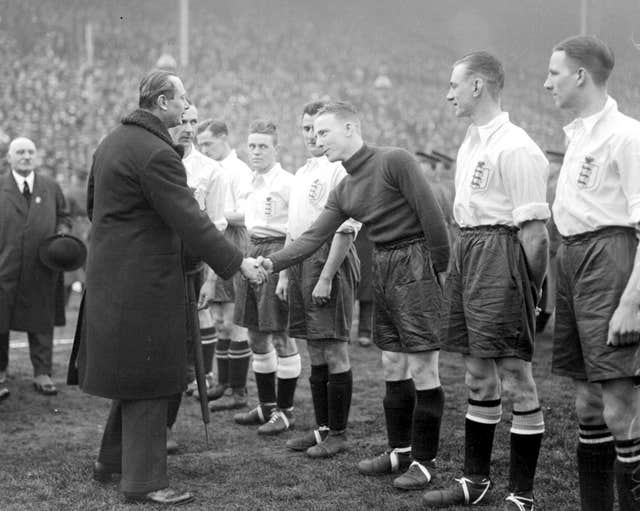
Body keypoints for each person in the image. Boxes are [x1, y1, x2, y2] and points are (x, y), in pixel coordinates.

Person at [72, 69, 263, 505]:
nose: (186, 105)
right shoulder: (158, 153)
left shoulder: (111, 142)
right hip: (145, 284)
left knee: (133, 372)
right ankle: (143, 482)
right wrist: (238, 262)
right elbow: (190, 220)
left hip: (113, 279)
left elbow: (91, 207)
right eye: (182, 98)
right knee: (152, 377)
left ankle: (110, 461)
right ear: (162, 102)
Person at [259, 101, 450, 490]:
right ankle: (400, 451)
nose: (316, 139)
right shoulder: (344, 186)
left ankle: (425, 462)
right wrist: (271, 264)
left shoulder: (395, 160)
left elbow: (433, 218)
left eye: (324, 132)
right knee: (392, 363)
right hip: (384, 264)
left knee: (423, 367)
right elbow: (312, 237)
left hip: (414, 261)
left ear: (350, 128)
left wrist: (442, 274)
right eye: (313, 133)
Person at [422, 51, 550, 511]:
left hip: (501, 253)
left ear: (478, 86)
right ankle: (475, 481)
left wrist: (531, 290)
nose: (448, 93)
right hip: (468, 250)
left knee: (515, 370)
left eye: (454, 84)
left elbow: (535, 235)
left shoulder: (516, 146)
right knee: (477, 370)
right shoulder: (471, 141)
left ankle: (522, 493)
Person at [544, 35, 640, 511]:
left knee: (620, 405)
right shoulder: (578, 134)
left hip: (612, 258)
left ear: (580, 75)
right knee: (586, 402)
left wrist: (631, 301)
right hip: (574, 260)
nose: (546, 83)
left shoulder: (627, 134)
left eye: (554, 73)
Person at [281, 101, 360, 458]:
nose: (312, 136)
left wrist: (327, 275)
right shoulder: (303, 172)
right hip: (300, 262)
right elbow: (293, 230)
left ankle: (339, 433)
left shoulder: (340, 170)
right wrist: (285, 272)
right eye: (306, 129)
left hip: (329, 259)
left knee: (334, 345)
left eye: (318, 129)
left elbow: (345, 231)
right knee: (314, 346)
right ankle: (322, 428)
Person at [166, 103, 229, 453]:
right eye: (182, 121)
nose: (188, 127)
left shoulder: (210, 171)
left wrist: (209, 279)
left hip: (189, 270)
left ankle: (167, 425)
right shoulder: (156, 159)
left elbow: (215, 228)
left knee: (185, 352)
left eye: (193, 122)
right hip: (154, 266)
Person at [231, 120, 301, 435]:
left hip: (277, 254)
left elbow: (294, 233)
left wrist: (284, 273)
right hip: (251, 250)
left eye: (263, 146)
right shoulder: (249, 181)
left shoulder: (288, 182)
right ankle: (267, 406)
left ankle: (285, 412)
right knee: (256, 336)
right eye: (252, 146)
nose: (256, 151)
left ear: (276, 148)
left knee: (281, 335)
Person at [0, 136, 71, 396]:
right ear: (9, 157)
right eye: (20, 152)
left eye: (30, 151)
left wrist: (62, 234)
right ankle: (0, 370)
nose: (26, 156)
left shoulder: (50, 186)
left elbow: (64, 216)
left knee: (41, 319)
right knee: (0, 317)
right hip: (4, 265)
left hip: (41, 265)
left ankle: (42, 372)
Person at [197, 119, 253, 411]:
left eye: (208, 143)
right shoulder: (210, 169)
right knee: (218, 320)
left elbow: (247, 213)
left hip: (233, 240)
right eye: (200, 144)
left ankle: (239, 391)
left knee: (233, 321)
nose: (203, 149)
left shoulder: (238, 170)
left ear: (224, 138)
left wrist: (215, 215)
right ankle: (223, 382)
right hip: (214, 239)